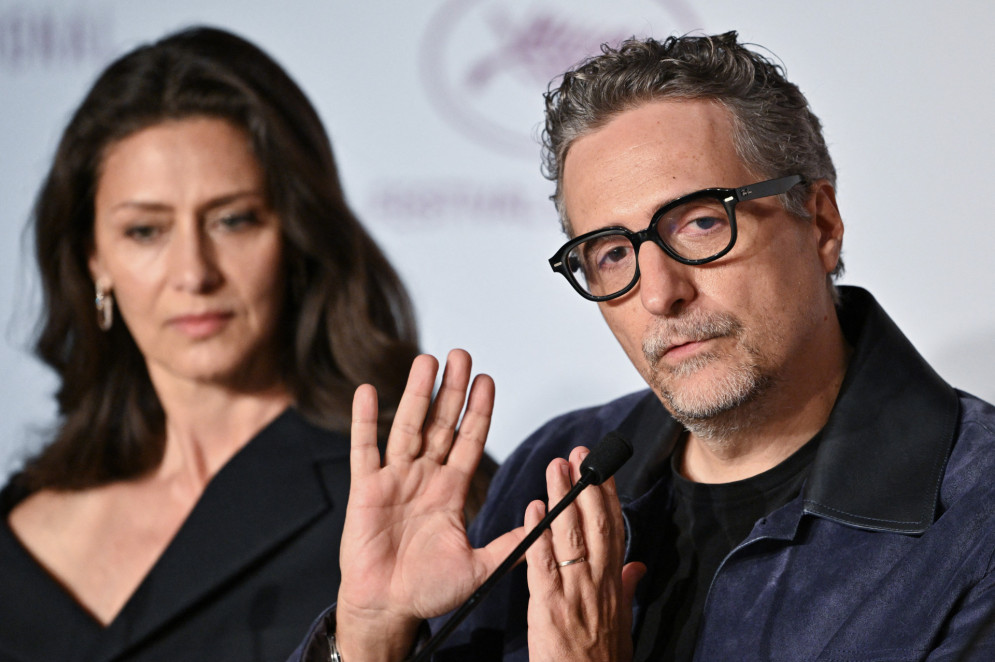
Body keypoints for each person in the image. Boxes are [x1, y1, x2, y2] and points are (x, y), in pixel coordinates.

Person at [290, 31, 995, 661]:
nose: (660, 294)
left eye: (697, 223)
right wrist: (369, 635)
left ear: (818, 220)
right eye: (610, 253)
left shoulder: (977, 514)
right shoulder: (556, 467)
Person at [0, 25, 495, 662]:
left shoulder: (414, 496)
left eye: (233, 220)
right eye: (145, 230)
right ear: (94, 257)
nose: (194, 273)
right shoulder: (20, 528)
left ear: (296, 234)